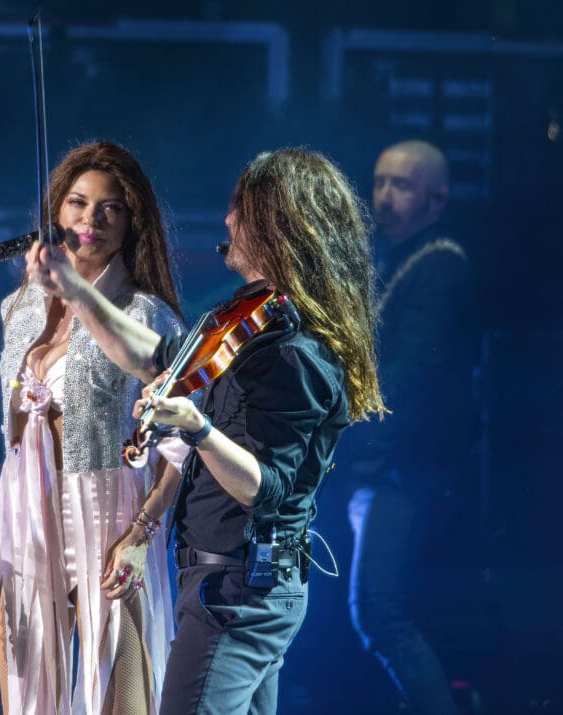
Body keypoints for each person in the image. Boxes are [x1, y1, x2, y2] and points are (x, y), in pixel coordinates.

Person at [28, 147, 386, 714]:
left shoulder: (292, 354)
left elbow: (263, 488)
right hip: (233, 586)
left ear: (274, 225)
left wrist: (197, 427)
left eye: (240, 208)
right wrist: (76, 291)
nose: (227, 220)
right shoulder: (253, 324)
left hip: (238, 592)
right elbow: (155, 355)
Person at [0, 141, 188, 715]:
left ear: (132, 222)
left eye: (111, 207)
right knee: (26, 692)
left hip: (108, 510)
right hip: (27, 510)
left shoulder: (146, 315)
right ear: (55, 212)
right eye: (78, 202)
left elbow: (180, 445)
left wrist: (141, 534)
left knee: (122, 694)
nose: (92, 219)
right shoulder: (17, 307)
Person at [343, 139, 477, 714]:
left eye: (400, 185)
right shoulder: (393, 259)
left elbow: (412, 374)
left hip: (406, 469)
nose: (384, 196)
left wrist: (357, 433)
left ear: (436, 199)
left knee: (380, 612)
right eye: (379, 182)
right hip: (384, 465)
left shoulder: (440, 264)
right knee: (376, 612)